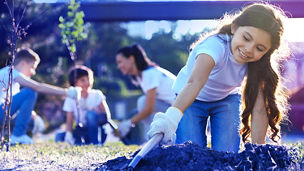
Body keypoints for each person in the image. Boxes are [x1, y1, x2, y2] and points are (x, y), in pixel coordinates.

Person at [147, 3, 289, 152]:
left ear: (267, 51)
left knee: (227, 154)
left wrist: (258, 153)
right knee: (190, 151)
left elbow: (259, 109)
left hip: (226, 99)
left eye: (259, 48)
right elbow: (195, 83)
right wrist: (171, 118)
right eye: (246, 38)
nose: (248, 49)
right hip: (191, 99)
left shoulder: (259, 64)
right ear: (234, 28)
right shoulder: (213, 47)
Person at [0, 48, 80, 144]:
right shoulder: (11, 72)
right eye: (32, 67)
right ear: (23, 64)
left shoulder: (12, 79)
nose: (33, 72)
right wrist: (67, 92)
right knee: (30, 92)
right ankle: (18, 135)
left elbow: (12, 105)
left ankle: (8, 136)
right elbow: (38, 87)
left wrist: (29, 112)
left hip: (3, 112)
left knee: (33, 121)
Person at [116, 44, 176, 144]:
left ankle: (151, 141)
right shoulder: (142, 76)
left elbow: (148, 109)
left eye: (120, 62)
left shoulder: (148, 73)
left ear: (131, 59)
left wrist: (128, 123)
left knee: (142, 102)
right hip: (173, 107)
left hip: (181, 109)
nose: (118, 66)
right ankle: (155, 140)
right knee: (143, 104)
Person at [55, 65, 111, 145]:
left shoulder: (97, 94)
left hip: (99, 132)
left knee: (90, 114)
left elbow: (107, 116)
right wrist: (69, 134)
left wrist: (97, 113)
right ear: (75, 83)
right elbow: (69, 120)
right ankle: (81, 144)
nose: (87, 83)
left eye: (89, 79)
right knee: (59, 136)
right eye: (83, 80)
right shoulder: (71, 97)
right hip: (82, 130)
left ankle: (95, 143)